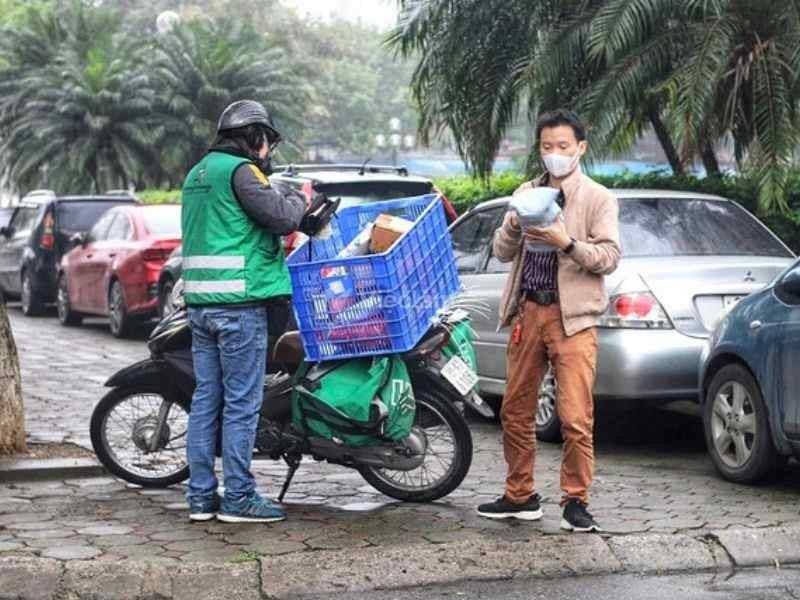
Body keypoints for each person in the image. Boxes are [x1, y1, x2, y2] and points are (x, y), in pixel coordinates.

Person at [477, 109, 621, 532]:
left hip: (572, 318)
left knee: (575, 417)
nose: (554, 154)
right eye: (546, 147)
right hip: (528, 311)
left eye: (562, 146)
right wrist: (512, 226)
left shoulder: (597, 198)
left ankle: (576, 501)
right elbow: (502, 253)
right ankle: (519, 495)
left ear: (581, 148)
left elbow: (609, 257)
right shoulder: (527, 190)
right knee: (516, 411)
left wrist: (567, 243)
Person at [181, 100, 306, 523]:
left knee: (206, 402)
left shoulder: (197, 173)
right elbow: (280, 218)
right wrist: (296, 198)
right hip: (239, 306)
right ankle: (238, 498)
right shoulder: (242, 171)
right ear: (254, 137)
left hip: (200, 307)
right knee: (240, 405)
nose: (268, 151)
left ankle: (201, 498)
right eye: (267, 141)